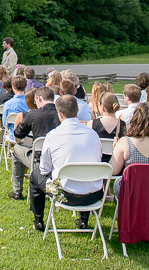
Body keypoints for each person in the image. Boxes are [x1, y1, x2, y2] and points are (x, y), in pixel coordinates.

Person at [28, 95, 102, 232]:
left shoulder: (53, 136)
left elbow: (44, 170)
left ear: (60, 113)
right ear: (77, 110)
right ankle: (83, 220)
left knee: (35, 175)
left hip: (64, 195)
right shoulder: (93, 134)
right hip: (95, 194)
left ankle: (38, 220)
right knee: (85, 171)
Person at [10, 87, 59, 200]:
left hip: (39, 160)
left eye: (36, 101)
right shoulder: (62, 113)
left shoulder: (33, 114)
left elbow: (18, 134)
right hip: (60, 158)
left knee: (17, 149)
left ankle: (17, 190)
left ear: (40, 99)